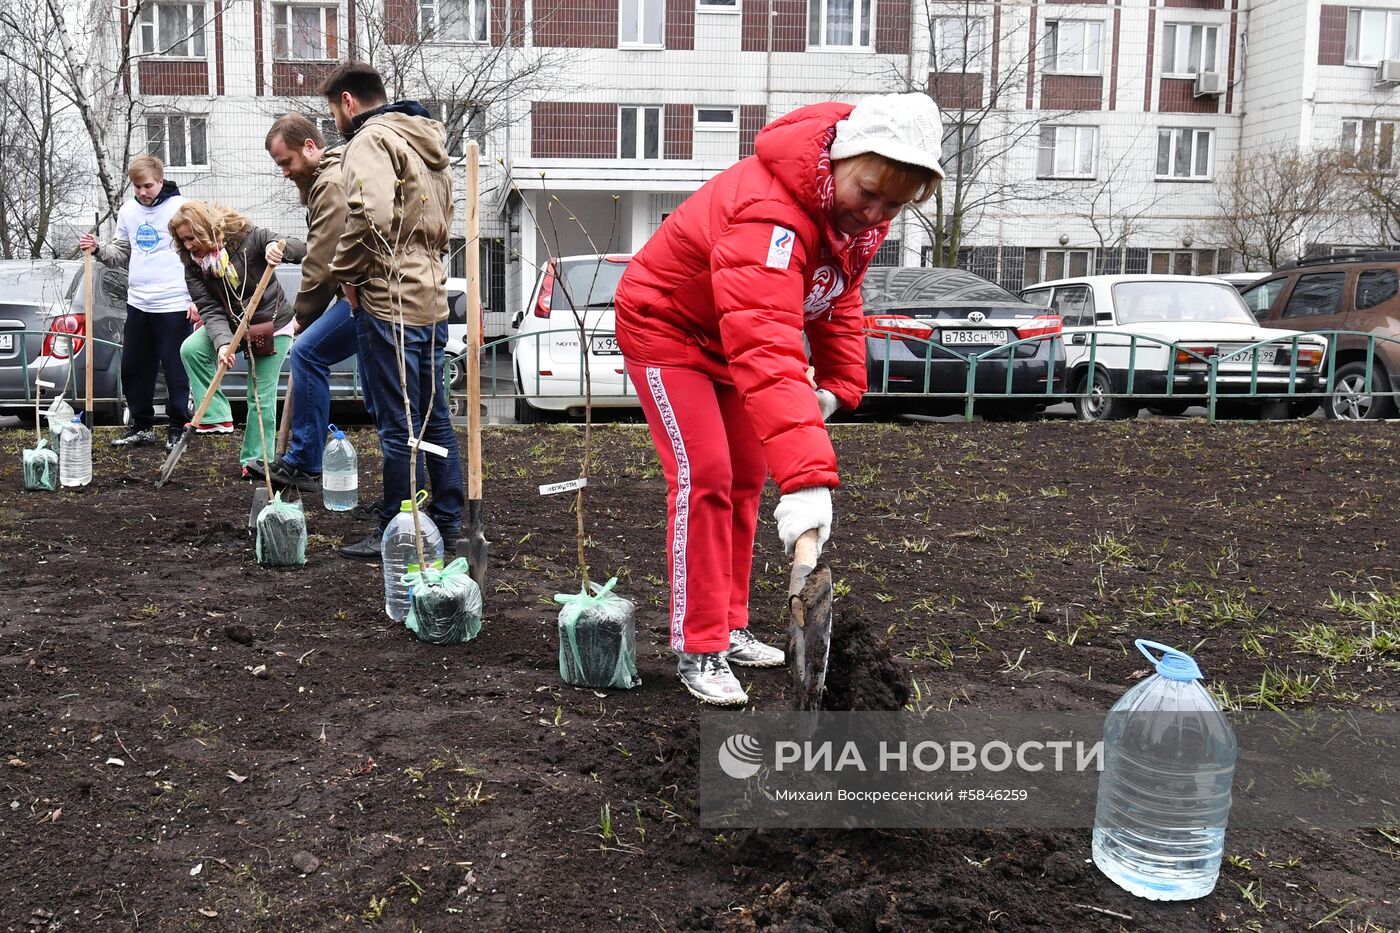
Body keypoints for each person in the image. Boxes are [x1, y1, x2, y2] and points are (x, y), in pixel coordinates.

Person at [614, 93, 943, 706]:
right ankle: (700, 644)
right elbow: (766, 342)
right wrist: (808, 478)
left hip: (729, 333)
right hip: (668, 327)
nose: (874, 213)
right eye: (868, 192)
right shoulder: (771, 213)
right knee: (705, 474)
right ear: (841, 160)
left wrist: (840, 383)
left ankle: (732, 625)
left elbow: (836, 295)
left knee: (746, 476)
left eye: (894, 206)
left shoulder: (849, 219)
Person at [321, 61, 464, 561]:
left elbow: (370, 214)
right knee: (435, 417)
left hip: (388, 298)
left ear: (348, 102)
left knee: (398, 423)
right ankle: (447, 518)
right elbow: (441, 225)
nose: (335, 122)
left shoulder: (369, 140)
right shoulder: (427, 141)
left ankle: (398, 527)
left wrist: (346, 272)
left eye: (332, 111)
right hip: (431, 296)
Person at [251, 113, 364, 494]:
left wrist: (303, 317)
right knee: (380, 394)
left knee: (307, 353)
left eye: (287, 162)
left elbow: (323, 262)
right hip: (364, 295)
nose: (284, 172)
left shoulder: (329, 185)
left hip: (370, 296)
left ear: (311, 147)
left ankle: (304, 462)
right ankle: (304, 460)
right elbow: (322, 252)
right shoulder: (327, 180)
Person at [170, 201, 307, 477]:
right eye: (182, 240)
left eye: (190, 238)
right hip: (232, 325)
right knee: (192, 349)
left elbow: (300, 247)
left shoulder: (250, 237)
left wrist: (277, 248)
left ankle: (258, 461)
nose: (187, 246)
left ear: (205, 229)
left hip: (269, 324)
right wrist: (222, 344)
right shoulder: (193, 266)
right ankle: (217, 416)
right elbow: (208, 308)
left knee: (259, 394)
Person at [79, 155, 196, 451]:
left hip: (173, 303)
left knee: (174, 369)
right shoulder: (129, 211)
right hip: (139, 303)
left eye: (148, 186)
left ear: (160, 181)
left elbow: (198, 253)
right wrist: (98, 249)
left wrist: (196, 300)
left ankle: (177, 426)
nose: (143, 192)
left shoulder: (181, 208)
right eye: (137, 187)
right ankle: (141, 426)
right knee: (134, 367)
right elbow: (120, 252)